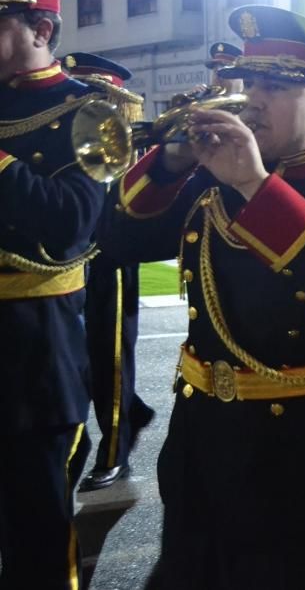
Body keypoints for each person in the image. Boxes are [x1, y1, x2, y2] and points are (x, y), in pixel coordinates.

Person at [99, 5, 305, 589]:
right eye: (248, 83)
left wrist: (255, 185)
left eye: (272, 87)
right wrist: (169, 162)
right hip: (206, 443)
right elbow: (114, 240)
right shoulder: (211, 174)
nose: (249, 100)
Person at [0, 0, 105, 589]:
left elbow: (73, 224)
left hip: (31, 348)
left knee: (35, 531)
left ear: (40, 27)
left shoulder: (88, 112)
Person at [60, 52, 157, 491]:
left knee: (110, 355)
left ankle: (114, 449)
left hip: (110, 258)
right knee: (77, 357)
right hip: (72, 259)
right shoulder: (69, 138)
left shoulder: (124, 142)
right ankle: (123, 419)